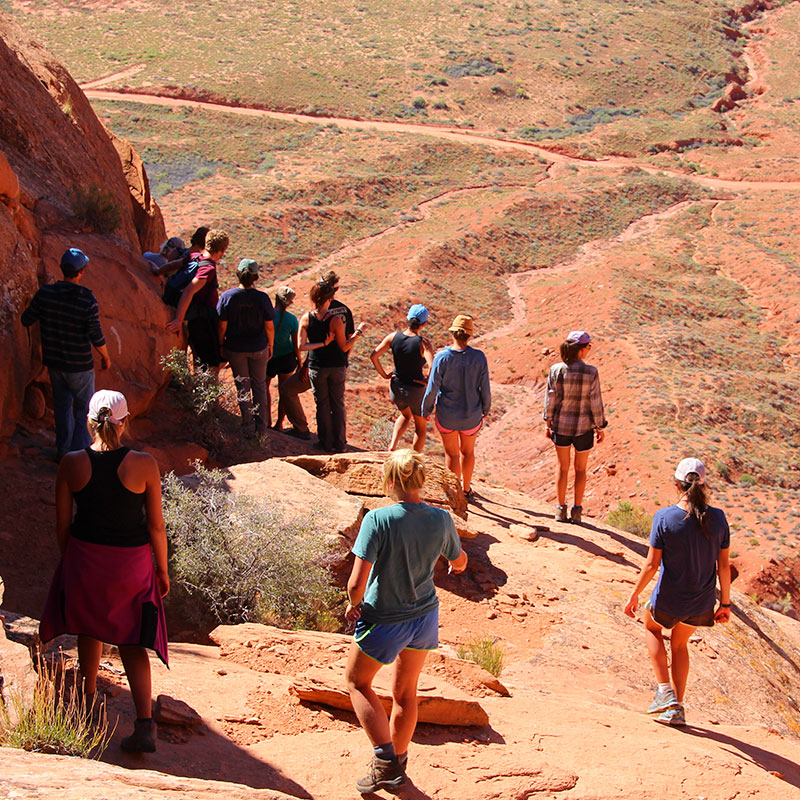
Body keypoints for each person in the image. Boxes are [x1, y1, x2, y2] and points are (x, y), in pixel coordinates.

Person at [39, 389, 169, 752]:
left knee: (89, 626)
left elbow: (62, 523)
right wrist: (162, 570)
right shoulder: (144, 464)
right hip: (131, 563)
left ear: (88, 421)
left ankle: (88, 702)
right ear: (124, 421)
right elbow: (156, 526)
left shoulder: (71, 462)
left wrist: (74, 562)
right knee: (131, 639)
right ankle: (144, 724)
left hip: (85, 558)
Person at [345, 450, 467, 793]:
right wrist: (454, 564)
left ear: (389, 482)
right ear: (421, 481)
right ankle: (398, 763)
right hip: (423, 616)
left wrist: (354, 605)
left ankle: (385, 764)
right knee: (404, 692)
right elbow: (459, 561)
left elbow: (356, 584)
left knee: (357, 682)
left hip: (384, 617)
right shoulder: (441, 519)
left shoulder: (378, 520)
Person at [624, 458, 731, 727]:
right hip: (701, 602)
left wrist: (634, 595)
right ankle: (678, 708)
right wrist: (725, 604)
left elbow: (651, 564)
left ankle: (664, 692)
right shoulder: (718, 518)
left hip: (669, 599)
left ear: (676, 484)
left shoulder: (665, 517)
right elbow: (724, 566)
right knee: (680, 644)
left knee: (651, 627)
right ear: (703, 485)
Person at [21, 248, 111, 461]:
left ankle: (63, 452)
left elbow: (26, 319)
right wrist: (106, 357)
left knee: (62, 408)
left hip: (55, 363)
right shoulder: (86, 299)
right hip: (80, 365)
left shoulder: (46, 294)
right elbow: (96, 336)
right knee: (84, 411)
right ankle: (79, 456)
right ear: (81, 272)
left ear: (62, 269)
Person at [421, 314, 490, 499]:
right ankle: (467, 489)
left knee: (451, 454)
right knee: (468, 453)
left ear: (452, 333)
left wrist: (426, 410)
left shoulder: (442, 357)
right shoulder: (479, 357)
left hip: (447, 416)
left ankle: (454, 492)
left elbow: (432, 388)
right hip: (471, 414)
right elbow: (485, 388)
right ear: (469, 335)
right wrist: (485, 409)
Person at [543, 330, 606, 524]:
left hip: (561, 426)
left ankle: (560, 510)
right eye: (588, 347)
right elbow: (595, 401)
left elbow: (550, 399)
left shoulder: (556, 370)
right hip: (583, 428)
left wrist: (548, 422)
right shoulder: (591, 372)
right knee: (581, 469)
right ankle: (577, 511)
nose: (589, 350)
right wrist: (599, 426)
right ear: (581, 349)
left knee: (562, 467)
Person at [299, 280, 367, 452]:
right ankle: (340, 444)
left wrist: (321, 343)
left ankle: (324, 443)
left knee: (322, 405)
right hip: (336, 366)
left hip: (317, 366)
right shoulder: (335, 320)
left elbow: (301, 346)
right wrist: (358, 332)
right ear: (329, 299)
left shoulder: (306, 318)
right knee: (337, 404)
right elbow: (344, 346)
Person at [216, 259, 275, 435]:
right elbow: (269, 326)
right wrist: (270, 345)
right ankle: (261, 428)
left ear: (238, 274)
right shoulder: (262, 298)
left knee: (243, 386)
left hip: (235, 349)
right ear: (255, 277)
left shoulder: (228, 296)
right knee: (259, 386)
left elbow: (221, 325)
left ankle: (247, 426)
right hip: (259, 348)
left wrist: (221, 344)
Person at [370, 304, 434, 453]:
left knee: (405, 415)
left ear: (408, 319)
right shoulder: (423, 343)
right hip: (415, 390)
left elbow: (373, 356)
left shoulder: (393, 337)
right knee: (420, 426)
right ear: (423, 324)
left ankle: (392, 447)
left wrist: (384, 375)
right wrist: (426, 380)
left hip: (396, 387)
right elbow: (432, 366)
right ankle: (414, 458)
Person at [166, 229, 228, 370]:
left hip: (197, 316)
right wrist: (178, 320)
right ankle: (203, 392)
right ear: (223, 250)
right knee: (210, 365)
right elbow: (189, 291)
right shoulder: (208, 268)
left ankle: (195, 388)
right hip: (203, 320)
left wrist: (157, 271)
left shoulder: (194, 257)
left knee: (200, 361)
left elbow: (174, 265)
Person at [268, 286, 302, 432]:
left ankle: (265, 421)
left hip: (269, 357)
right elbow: (296, 344)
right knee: (284, 390)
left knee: (263, 388)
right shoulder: (292, 319)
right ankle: (279, 424)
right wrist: (300, 361)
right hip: (287, 357)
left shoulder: (267, 316)